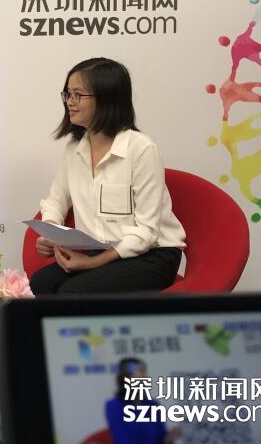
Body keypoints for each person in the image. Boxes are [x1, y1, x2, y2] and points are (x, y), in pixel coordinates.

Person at [31, 57, 186, 295]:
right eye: (68, 94)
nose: (69, 102)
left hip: (152, 255)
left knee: (75, 291)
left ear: (107, 98)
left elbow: (146, 231)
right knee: (41, 282)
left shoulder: (142, 149)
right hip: (101, 251)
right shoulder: (74, 148)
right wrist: (51, 231)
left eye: (78, 95)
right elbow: (56, 201)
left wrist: (92, 263)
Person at [104, 358, 170, 444]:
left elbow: (160, 438)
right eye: (140, 373)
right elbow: (125, 438)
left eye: (144, 373)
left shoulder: (154, 405)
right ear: (126, 378)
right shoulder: (113, 406)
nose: (145, 377)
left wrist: (170, 438)